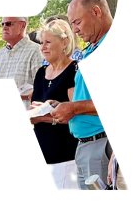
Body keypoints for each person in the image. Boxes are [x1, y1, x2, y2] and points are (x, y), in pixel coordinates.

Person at [47, 0, 128, 190]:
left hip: (101, 144)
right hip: (85, 146)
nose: (74, 30)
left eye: (77, 23)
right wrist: (63, 107)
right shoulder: (91, 50)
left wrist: (73, 108)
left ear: (96, 12)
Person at [29, 19, 81, 190]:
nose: (43, 47)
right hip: (41, 153)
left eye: (48, 42)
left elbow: (76, 113)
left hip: (66, 155)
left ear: (64, 42)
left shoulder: (75, 70)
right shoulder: (40, 72)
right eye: (41, 42)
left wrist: (42, 118)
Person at [0, 17, 42, 101]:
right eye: (2, 24)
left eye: (9, 24)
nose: (4, 27)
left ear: (23, 25)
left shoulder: (36, 51)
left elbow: (43, 89)